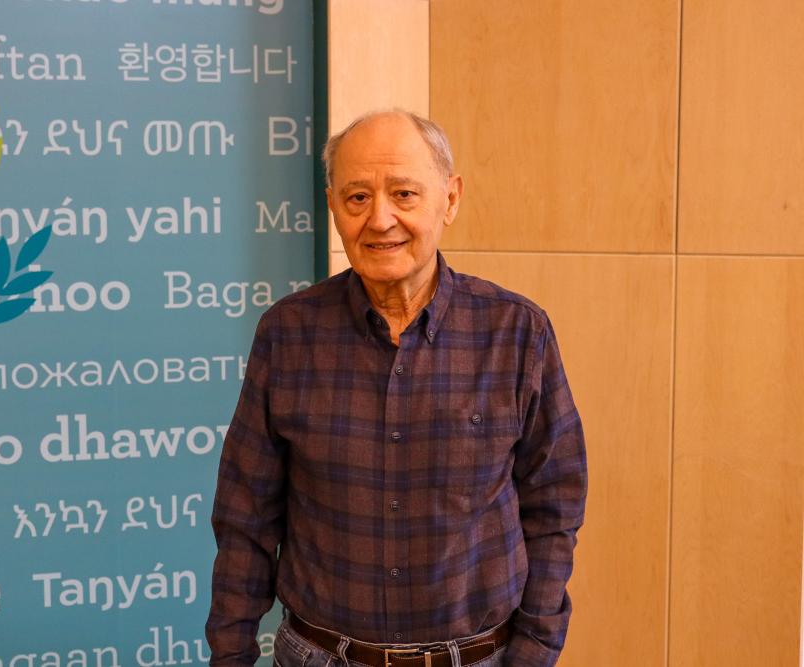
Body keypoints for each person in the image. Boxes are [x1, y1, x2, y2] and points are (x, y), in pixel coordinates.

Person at [206, 110, 587, 667]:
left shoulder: (516, 331)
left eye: (404, 194)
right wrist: (230, 656)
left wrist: (533, 651)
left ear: (450, 199)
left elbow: (555, 507)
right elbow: (245, 516)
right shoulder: (287, 333)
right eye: (357, 198)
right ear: (333, 205)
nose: (380, 219)